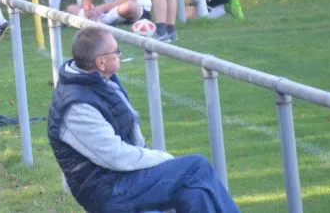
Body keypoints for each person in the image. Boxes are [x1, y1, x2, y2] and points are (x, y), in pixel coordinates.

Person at [48, 27, 240, 213]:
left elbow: (129, 129)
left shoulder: (100, 80)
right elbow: (116, 156)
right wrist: (163, 159)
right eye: (116, 51)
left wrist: (158, 161)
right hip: (107, 192)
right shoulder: (77, 106)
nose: (120, 54)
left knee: (195, 194)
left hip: (121, 179)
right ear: (101, 62)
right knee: (196, 166)